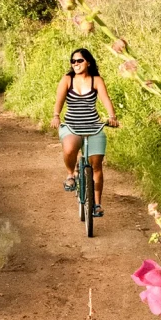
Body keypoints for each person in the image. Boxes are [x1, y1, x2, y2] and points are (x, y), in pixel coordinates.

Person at [50, 48, 118, 217]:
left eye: (79, 60)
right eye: (73, 61)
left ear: (88, 62)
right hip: (71, 125)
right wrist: (56, 116)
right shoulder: (67, 80)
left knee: (96, 165)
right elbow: (59, 100)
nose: (76, 64)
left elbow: (105, 99)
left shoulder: (96, 80)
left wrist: (112, 117)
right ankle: (70, 174)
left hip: (94, 126)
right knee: (69, 149)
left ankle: (97, 204)